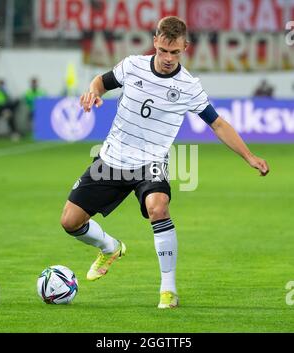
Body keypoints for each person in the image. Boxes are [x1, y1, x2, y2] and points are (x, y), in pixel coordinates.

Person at [61, 16, 269, 309]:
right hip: (111, 159)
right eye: (164, 51)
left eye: (176, 52)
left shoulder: (188, 87)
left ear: (185, 47)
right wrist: (93, 91)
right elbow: (101, 81)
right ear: (155, 42)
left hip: (151, 162)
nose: (169, 58)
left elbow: (218, 124)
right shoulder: (132, 65)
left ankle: (168, 290)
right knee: (69, 222)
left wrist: (250, 156)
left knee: (158, 207)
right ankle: (109, 248)